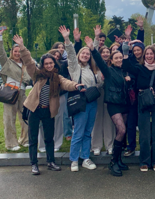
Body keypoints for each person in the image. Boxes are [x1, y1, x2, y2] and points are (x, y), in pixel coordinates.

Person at [14, 35, 83, 175]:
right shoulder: (37, 75)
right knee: (33, 138)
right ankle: (34, 164)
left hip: (48, 112)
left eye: (51, 63)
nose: (49, 65)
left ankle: (51, 162)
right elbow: (28, 61)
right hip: (34, 110)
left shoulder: (57, 77)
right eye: (46, 64)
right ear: (43, 65)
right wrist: (21, 47)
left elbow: (66, 83)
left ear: (54, 63)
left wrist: (76, 86)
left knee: (49, 138)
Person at [122, 45, 155, 172]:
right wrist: (125, 53)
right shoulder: (139, 68)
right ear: (144, 56)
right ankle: (144, 161)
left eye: (151, 54)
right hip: (143, 99)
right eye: (147, 54)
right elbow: (127, 66)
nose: (149, 56)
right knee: (144, 132)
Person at [86, 36, 131, 176]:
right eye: (116, 58)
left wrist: (129, 80)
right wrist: (93, 49)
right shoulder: (108, 70)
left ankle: (118, 159)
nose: (119, 60)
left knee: (121, 133)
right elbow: (99, 60)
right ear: (111, 60)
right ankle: (113, 162)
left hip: (125, 104)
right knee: (121, 130)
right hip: (113, 104)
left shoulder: (124, 71)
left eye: (120, 58)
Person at [59, 26, 101, 172]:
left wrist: (95, 40)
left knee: (88, 131)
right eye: (83, 53)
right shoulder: (75, 67)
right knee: (78, 132)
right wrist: (67, 39)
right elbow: (70, 54)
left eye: (87, 54)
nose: (85, 55)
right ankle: (74, 159)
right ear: (79, 55)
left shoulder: (92, 68)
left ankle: (85, 158)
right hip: (81, 102)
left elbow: (94, 53)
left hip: (92, 102)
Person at [0, 29, 31, 151]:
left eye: (19, 51)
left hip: (22, 93)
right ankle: (11, 143)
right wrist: (0, 36)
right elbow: (0, 53)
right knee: (9, 118)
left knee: (26, 116)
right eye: (15, 51)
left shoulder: (26, 65)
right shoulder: (7, 62)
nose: (17, 53)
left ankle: (24, 139)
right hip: (10, 92)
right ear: (12, 52)